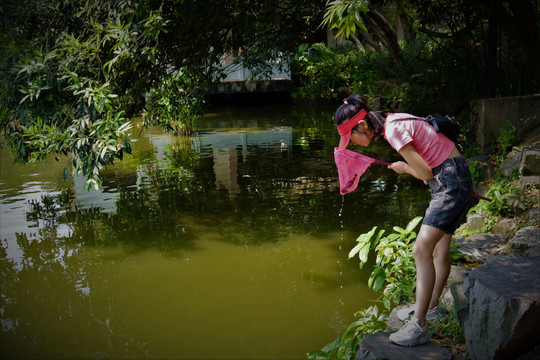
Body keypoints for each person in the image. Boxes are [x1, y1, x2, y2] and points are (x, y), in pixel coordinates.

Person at [335, 94, 473, 347]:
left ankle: (418, 326)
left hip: (449, 181)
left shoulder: (394, 131)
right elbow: (430, 154)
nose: (352, 143)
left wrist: (404, 166)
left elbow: (424, 171)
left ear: (362, 126)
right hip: (455, 173)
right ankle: (431, 309)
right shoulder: (393, 119)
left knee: (420, 249)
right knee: (439, 251)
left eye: (351, 137)